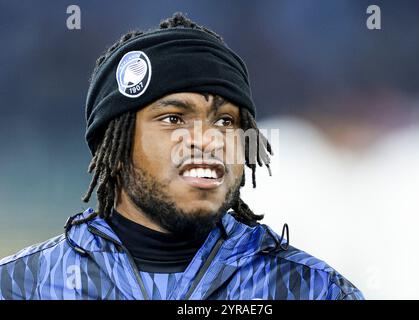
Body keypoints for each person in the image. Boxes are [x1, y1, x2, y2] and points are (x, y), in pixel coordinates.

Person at [0, 12, 363, 300]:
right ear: (115, 143)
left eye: (225, 120)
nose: (207, 141)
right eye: (174, 118)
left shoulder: (314, 291)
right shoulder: (21, 287)